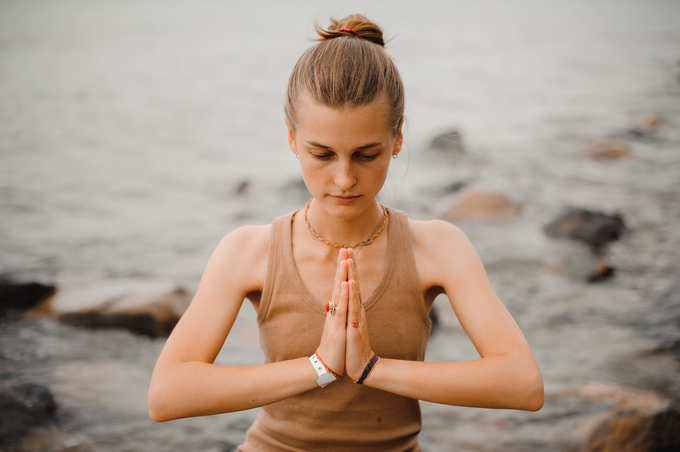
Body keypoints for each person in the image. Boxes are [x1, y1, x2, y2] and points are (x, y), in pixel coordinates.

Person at [147, 13, 544, 451]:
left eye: (366, 155)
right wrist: (319, 366)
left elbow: (522, 383)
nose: (343, 179)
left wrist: (372, 368)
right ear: (292, 138)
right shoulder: (248, 251)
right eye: (322, 154)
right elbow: (168, 394)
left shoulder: (438, 247)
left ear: (397, 137)